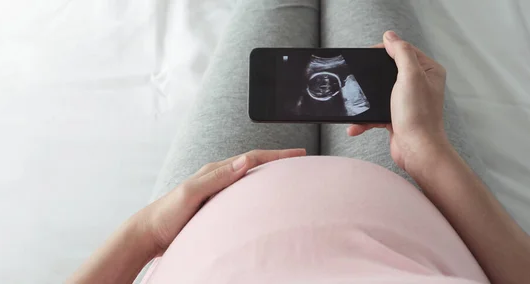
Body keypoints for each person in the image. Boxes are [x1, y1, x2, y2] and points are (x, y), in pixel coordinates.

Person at [68, 1, 530, 283]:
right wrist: (428, 153)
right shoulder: (424, 158)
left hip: (204, 206)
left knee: (274, 8)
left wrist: (148, 232)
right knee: (380, 28)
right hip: (419, 190)